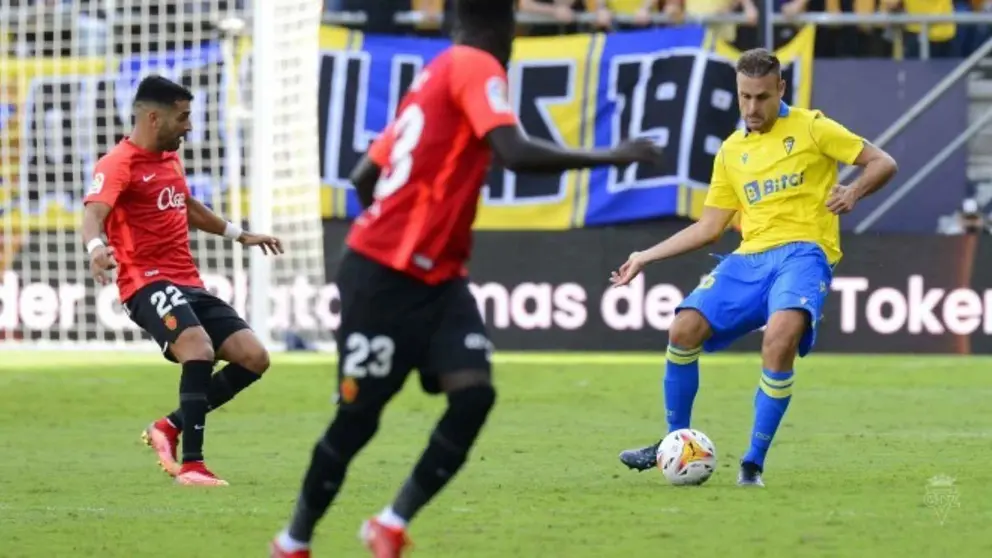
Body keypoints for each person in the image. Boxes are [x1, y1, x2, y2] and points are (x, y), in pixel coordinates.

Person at [269, 1, 663, 556]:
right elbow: (515, 152)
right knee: (358, 419)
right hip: (383, 278)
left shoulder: (433, 74)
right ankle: (293, 541)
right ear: (508, 25)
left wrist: (410, 232)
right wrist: (611, 154)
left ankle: (390, 523)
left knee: (473, 394)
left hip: (435, 281)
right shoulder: (476, 65)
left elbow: (365, 176)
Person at [610, 48, 898, 487]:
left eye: (761, 97)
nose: (751, 108)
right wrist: (646, 256)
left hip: (804, 253)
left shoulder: (812, 126)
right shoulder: (731, 151)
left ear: (780, 88)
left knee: (780, 339)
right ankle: (674, 443)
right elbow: (709, 228)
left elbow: (883, 162)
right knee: (683, 328)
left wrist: (854, 193)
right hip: (750, 257)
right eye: (744, 97)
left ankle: (752, 464)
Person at [82, 75, 284, 487]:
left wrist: (241, 235)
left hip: (185, 281)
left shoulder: (170, 158)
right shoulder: (117, 163)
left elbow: (187, 205)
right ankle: (192, 466)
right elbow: (93, 214)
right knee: (198, 347)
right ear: (154, 118)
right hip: (144, 281)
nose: (190, 126)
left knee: (253, 356)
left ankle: (168, 427)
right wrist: (96, 249)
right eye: (184, 117)